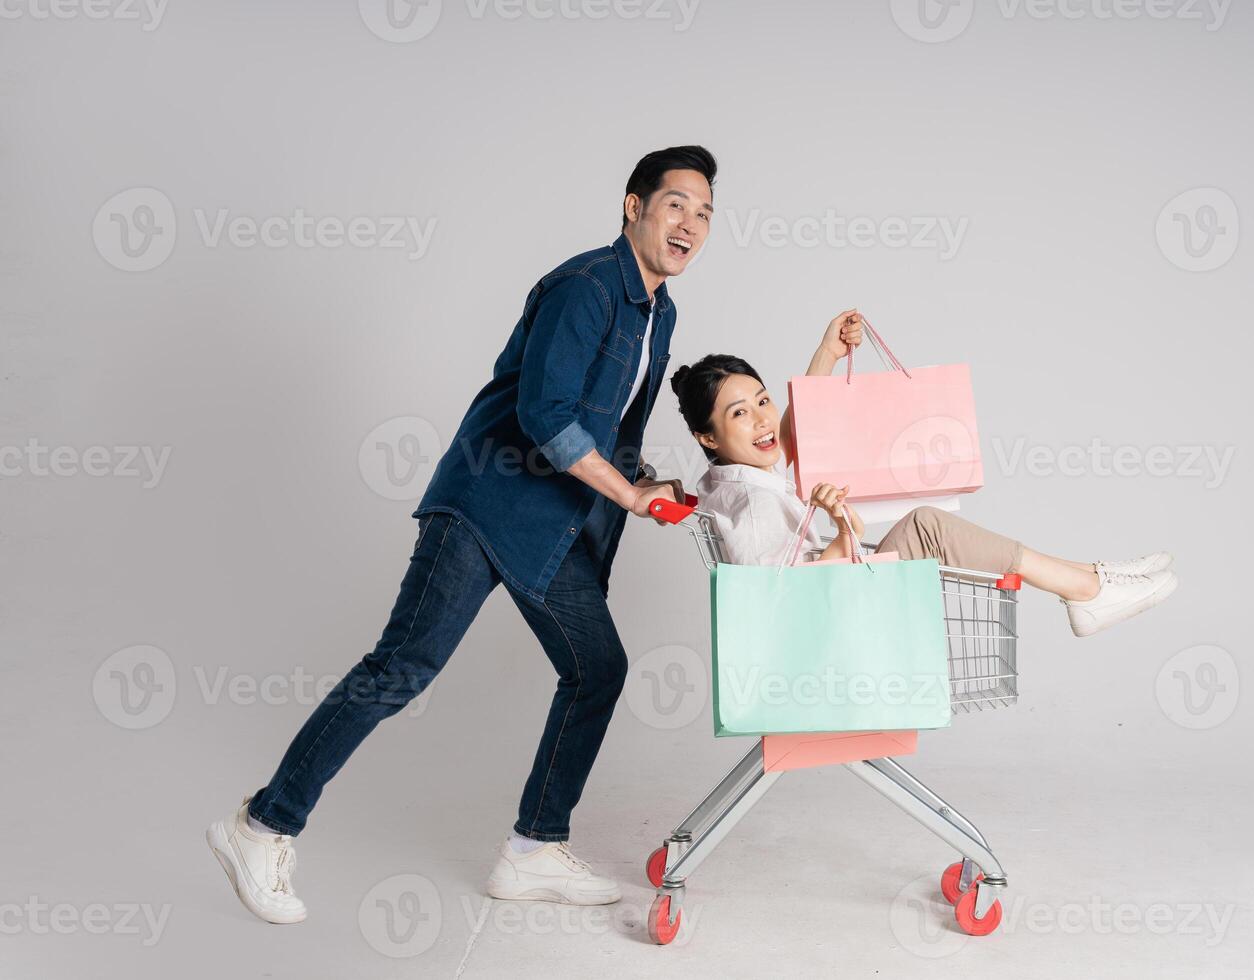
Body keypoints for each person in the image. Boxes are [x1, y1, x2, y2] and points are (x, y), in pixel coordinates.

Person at [206, 146, 715, 924]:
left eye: (705, 213)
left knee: (597, 668)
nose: (690, 223)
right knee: (403, 666)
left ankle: (533, 850)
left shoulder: (661, 311)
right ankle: (260, 824)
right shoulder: (585, 287)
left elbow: (614, 431)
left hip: (551, 523)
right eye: (676, 203)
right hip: (487, 502)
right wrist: (629, 497)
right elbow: (546, 417)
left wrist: (648, 484)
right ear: (633, 206)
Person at [666, 311, 1179, 636]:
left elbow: (792, 435)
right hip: (828, 624)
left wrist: (828, 352)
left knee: (922, 524)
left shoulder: (738, 481)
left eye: (762, 400)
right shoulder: (752, 503)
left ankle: (1089, 580)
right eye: (739, 413)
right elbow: (781, 600)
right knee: (928, 526)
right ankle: (1088, 589)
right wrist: (842, 528)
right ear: (707, 438)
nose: (761, 419)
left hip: (835, 600)